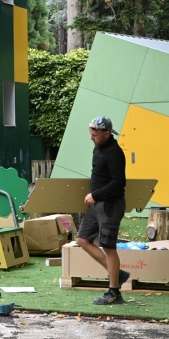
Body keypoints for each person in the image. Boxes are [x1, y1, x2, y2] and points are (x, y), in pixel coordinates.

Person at [76, 116, 129, 305]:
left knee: (108, 247)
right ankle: (118, 273)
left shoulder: (114, 152)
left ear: (106, 134)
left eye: (95, 134)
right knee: (82, 239)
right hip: (96, 204)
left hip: (109, 205)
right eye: (90, 134)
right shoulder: (98, 147)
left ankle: (114, 293)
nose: (92, 138)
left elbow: (118, 183)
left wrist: (96, 194)